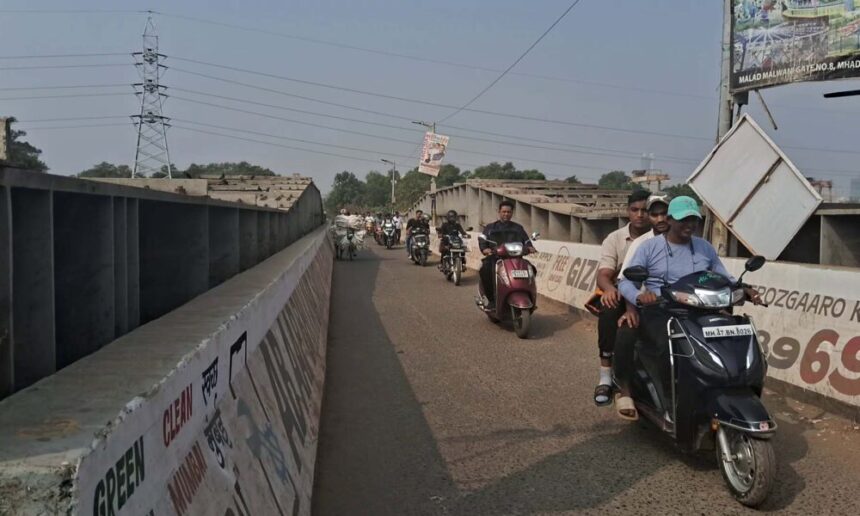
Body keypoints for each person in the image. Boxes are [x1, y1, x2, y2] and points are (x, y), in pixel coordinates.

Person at [617, 196, 763, 420]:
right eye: (684, 220)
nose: (689, 225)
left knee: (735, 336)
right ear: (670, 220)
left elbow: (723, 275)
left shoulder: (704, 247)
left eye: (694, 220)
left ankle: (726, 384)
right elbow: (626, 281)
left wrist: (745, 289)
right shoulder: (649, 247)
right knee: (664, 343)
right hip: (663, 310)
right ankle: (658, 398)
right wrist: (639, 296)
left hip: (701, 309)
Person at [612, 194, 670, 420]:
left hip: (686, 307)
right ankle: (623, 386)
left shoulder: (694, 244)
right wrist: (633, 307)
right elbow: (626, 280)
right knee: (626, 332)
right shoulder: (642, 244)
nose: (660, 218)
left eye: (664, 213)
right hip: (650, 307)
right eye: (654, 214)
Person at [592, 189, 651, 407]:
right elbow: (604, 274)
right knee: (608, 309)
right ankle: (606, 376)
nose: (640, 215)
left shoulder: (661, 237)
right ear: (628, 212)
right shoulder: (615, 238)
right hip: (622, 290)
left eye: (646, 210)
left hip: (654, 292)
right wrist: (608, 289)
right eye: (635, 210)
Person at [478, 200, 536, 306]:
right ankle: (491, 299)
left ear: (512, 213)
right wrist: (485, 249)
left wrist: (530, 247)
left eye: (508, 212)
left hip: (516, 258)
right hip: (496, 258)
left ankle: (529, 295)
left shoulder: (518, 228)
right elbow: (482, 238)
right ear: (499, 212)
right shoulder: (491, 227)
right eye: (504, 212)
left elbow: (527, 241)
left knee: (532, 269)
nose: (506, 214)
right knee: (485, 269)